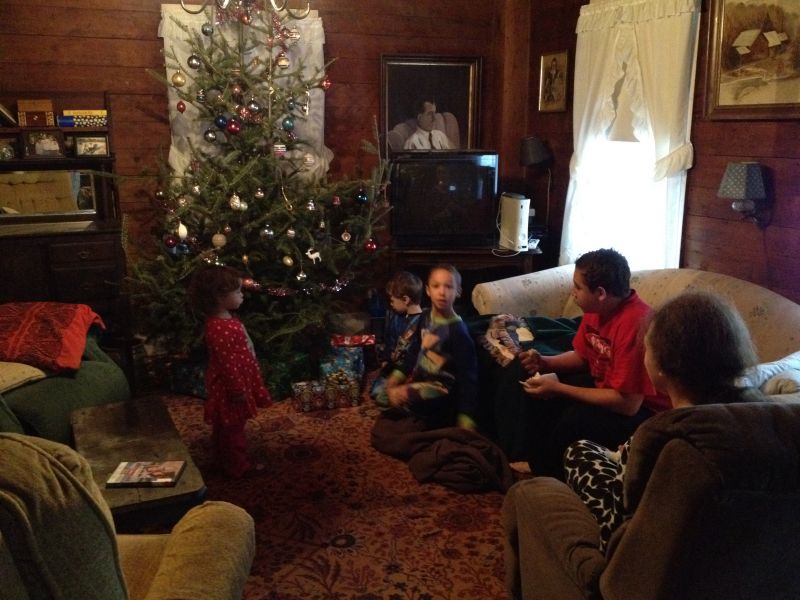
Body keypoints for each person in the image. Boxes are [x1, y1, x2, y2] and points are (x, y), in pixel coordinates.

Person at [561, 292, 762, 549]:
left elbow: (623, 522)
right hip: (744, 556)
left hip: (640, 552)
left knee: (577, 452)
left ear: (662, 365)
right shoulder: (769, 417)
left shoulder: (657, 437)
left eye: (647, 348)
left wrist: (631, 455)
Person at [499, 248, 669, 477]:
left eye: (578, 287)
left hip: (645, 411)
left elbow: (628, 404)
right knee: (529, 379)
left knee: (574, 417)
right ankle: (522, 454)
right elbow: (582, 356)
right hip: (608, 387)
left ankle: (547, 472)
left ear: (600, 293)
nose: (573, 293)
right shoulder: (596, 309)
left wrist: (559, 388)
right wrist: (544, 363)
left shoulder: (635, 324)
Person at [187, 264, 272, 478]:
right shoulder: (220, 327)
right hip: (230, 388)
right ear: (219, 297)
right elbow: (226, 363)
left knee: (225, 425)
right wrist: (237, 390)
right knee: (233, 428)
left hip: (238, 380)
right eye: (238, 291)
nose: (242, 295)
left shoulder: (224, 320)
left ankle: (222, 459)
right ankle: (238, 467)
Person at [385, 264, 478, 430]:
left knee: (399, 398)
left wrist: (466, 416)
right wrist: (398, 374)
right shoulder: (425, 317)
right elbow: (415, 350)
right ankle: (418, 417)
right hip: (421, 378)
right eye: (436, 286)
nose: (442, 292)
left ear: (458, 292)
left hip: (442, 388)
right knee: (384, 393)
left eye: (448, 287)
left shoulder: (458, 332)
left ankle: (427, 420)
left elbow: (468, 377)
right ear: (428, 290)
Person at [371, 271, 425, 405]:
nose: (391, 304)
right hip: (393, 370)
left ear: (406, 299)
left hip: (411, 372)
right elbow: (389, 341)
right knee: (376, 392)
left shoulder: (423, 321)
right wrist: (385, 359)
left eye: (392, 301)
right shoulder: (395, 317)